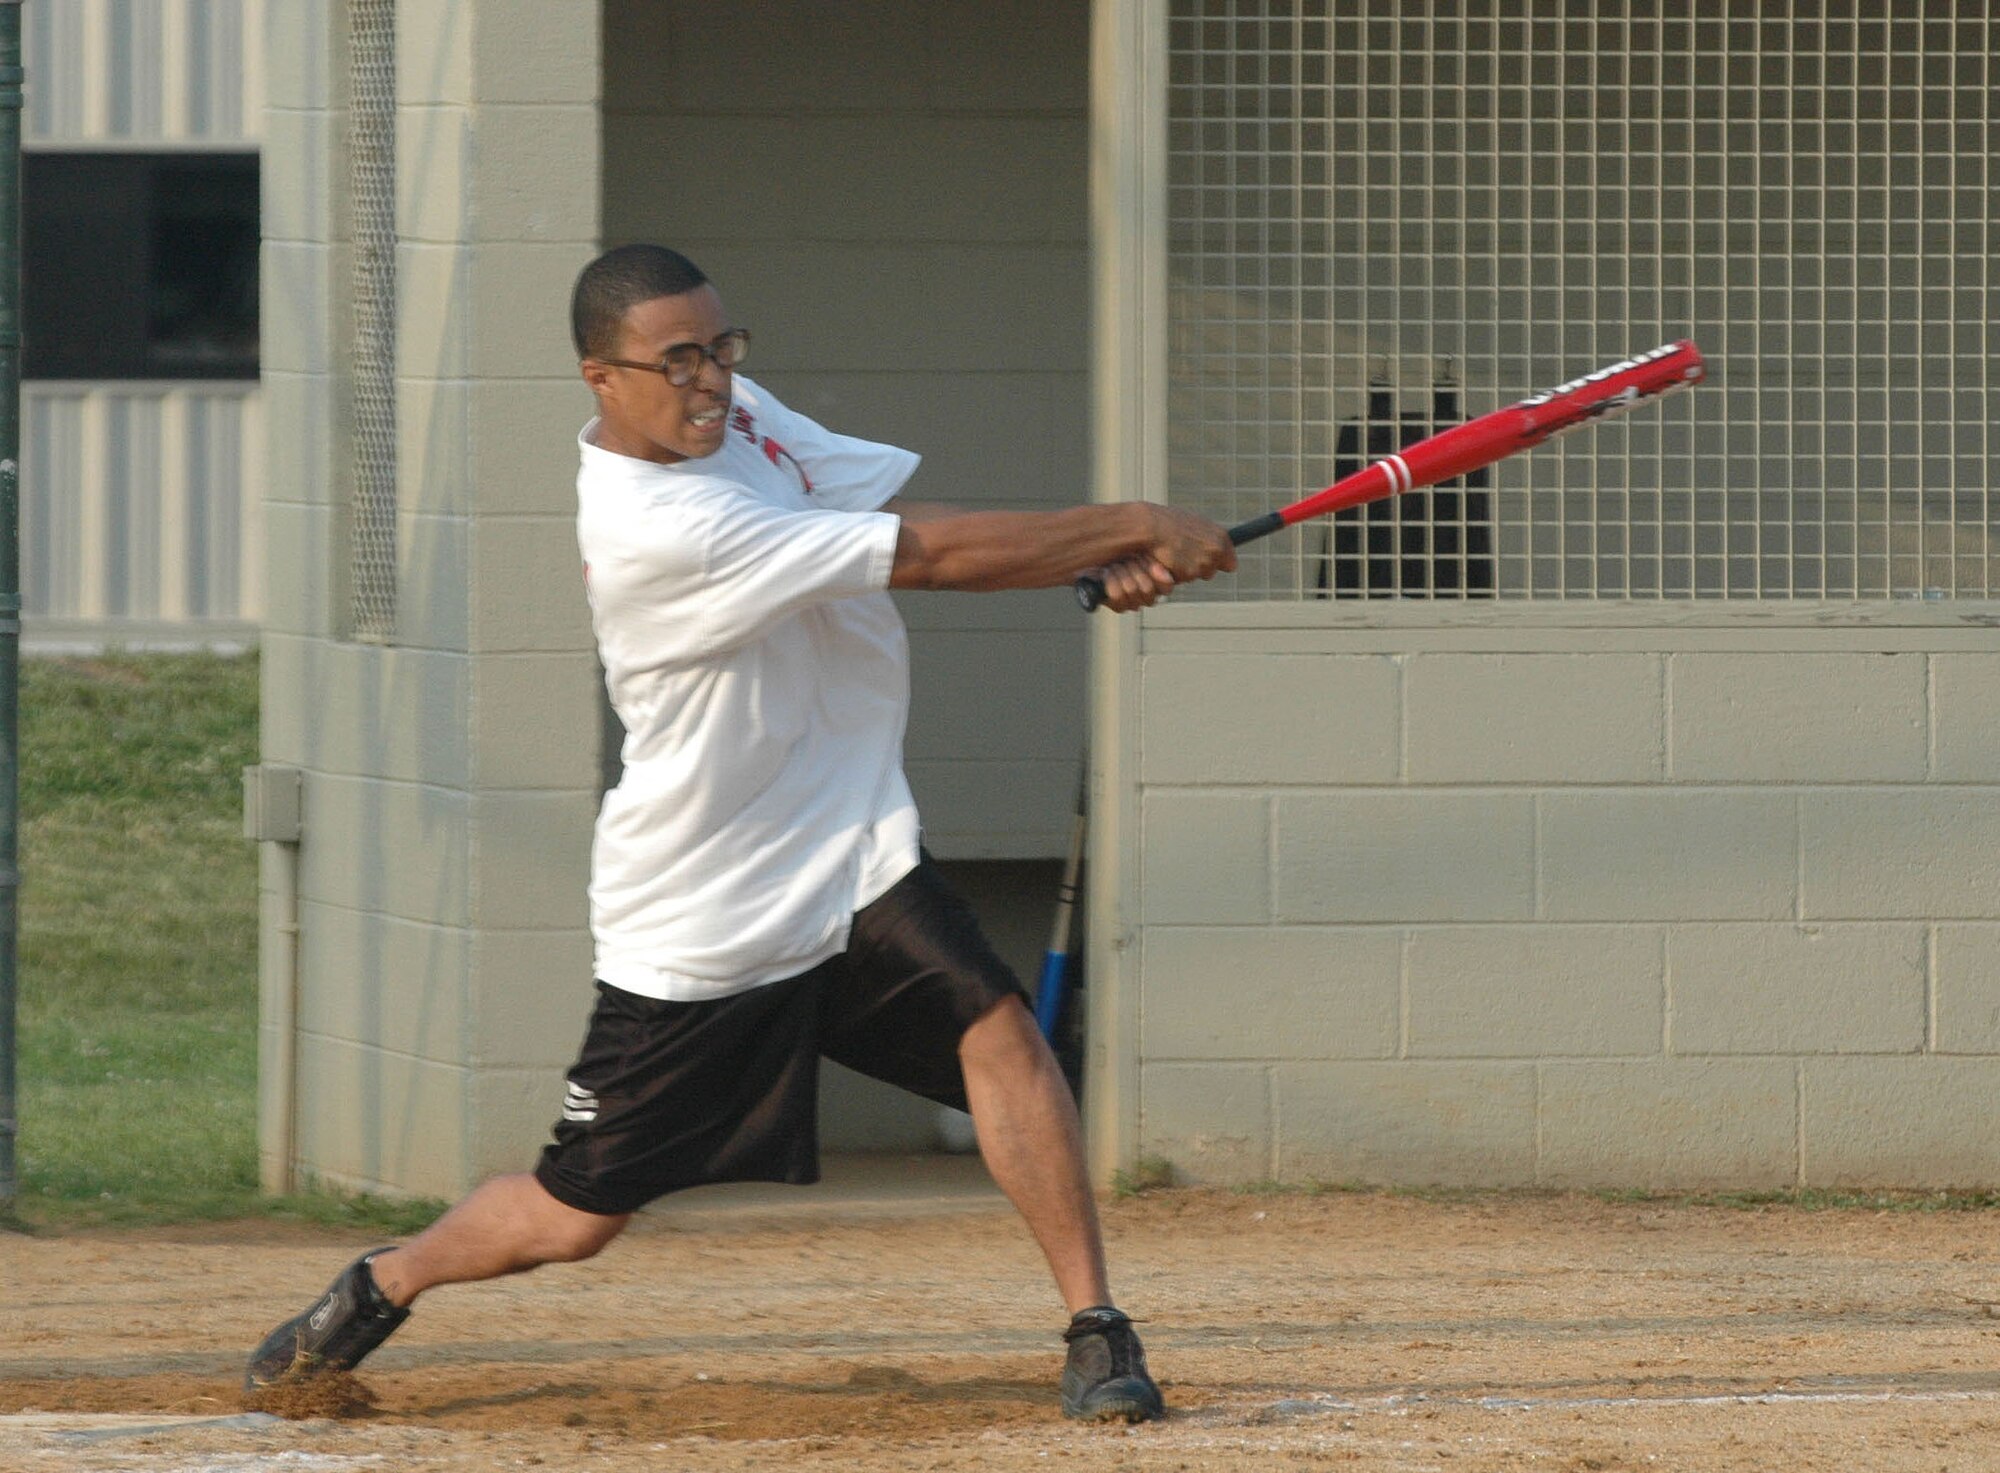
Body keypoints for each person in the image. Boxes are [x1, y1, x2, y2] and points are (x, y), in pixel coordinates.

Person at [243, 244, 1236, 1423]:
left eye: (720, 348)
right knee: (577, 1217)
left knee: (1002, 1031)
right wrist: (1126, 523)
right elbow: (927, 559)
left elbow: (885, 514)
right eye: (676, 362)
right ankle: (381, 1282)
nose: (710, 381)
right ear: (599, 379)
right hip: (704, 911)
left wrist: (1105, 551)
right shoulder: (656, 525)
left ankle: (1096, 1330)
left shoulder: (737, 417)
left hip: (851, 848)